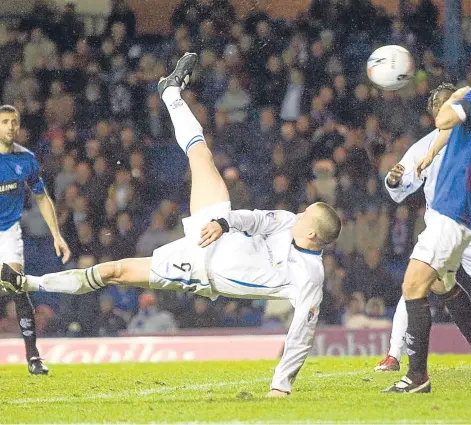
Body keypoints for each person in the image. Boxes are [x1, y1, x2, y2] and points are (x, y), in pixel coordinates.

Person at [0, 53, 342, 397]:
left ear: (311, 234)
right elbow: (254, 218)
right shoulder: (288, 222)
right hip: (216, 228)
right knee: (201, 156)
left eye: (304, 217)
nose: (297, 215)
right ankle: (170, 92)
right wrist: (224, 222)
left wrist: (280, 388)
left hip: (198, 267)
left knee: (114, 271)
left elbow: (301, 334)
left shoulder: (309, 277)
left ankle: (29, 282)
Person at [383, 36, 471, 393]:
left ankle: (417, 376)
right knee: (443, 284)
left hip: (455, 203)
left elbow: (444, 117)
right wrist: (430, 154)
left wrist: (457, 96)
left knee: (413, 284)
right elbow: (457, 131)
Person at [0, 104, 71, 375]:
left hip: (8, 232)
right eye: (5, 121)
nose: (10, 127)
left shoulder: (25, 160)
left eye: (14, 122)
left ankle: (33, 357)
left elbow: (41, 196)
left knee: (17, 286)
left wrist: (56, 235)